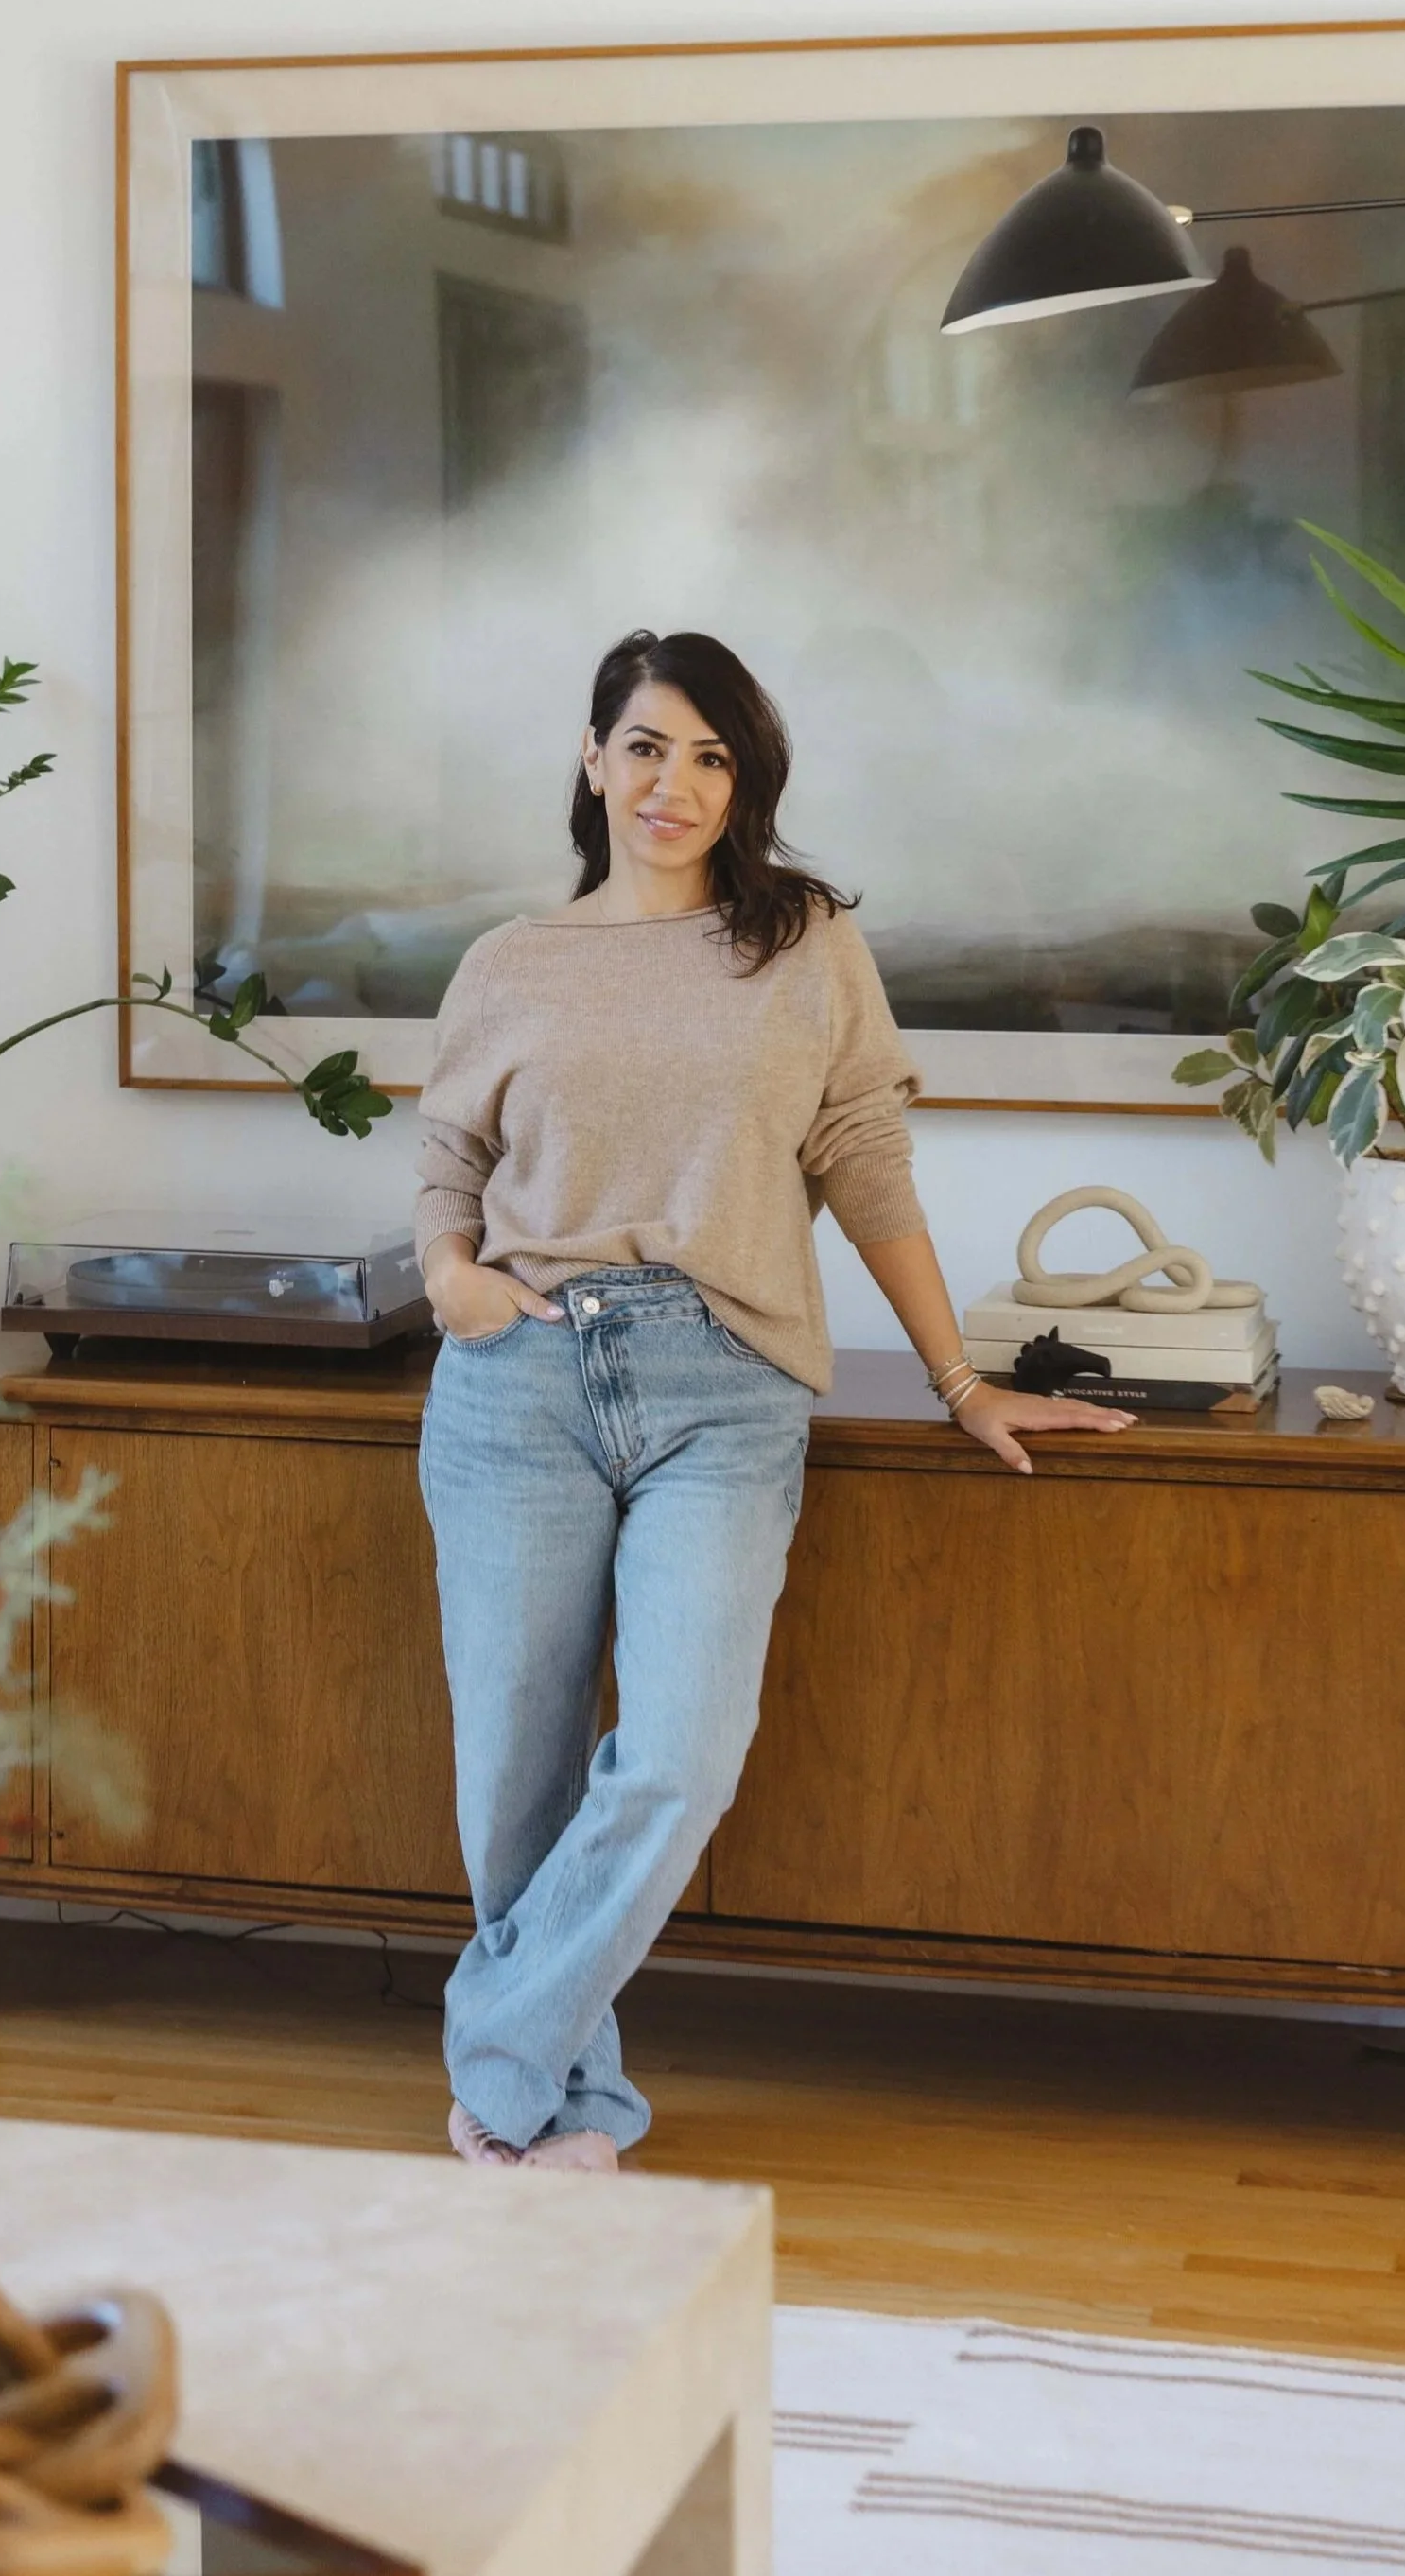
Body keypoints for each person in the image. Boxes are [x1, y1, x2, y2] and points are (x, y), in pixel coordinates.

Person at [413, 627, 1134, 2170]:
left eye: (714, 756)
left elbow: (864, 1164)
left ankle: (496, 2061)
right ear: (595, 758)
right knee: (513, 1785)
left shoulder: (802, 943)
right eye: (651, 746)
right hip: (514, 1377)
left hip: (720, 1385)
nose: (677, 784)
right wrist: (448, 1277)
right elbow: (448, 1166)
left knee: (678, 1751)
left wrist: (963, 1383)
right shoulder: (509, 964)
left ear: (746, 785)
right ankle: (567, 2108)